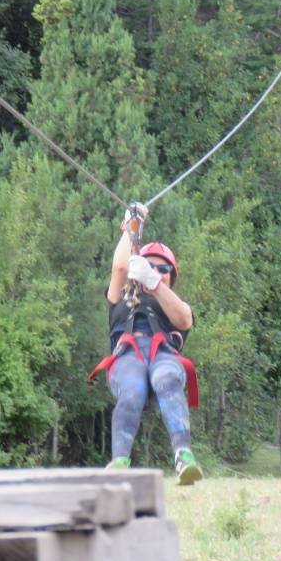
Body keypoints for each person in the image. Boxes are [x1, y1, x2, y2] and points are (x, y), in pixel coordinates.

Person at [88, 204, 203, 485]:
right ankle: (119, 461)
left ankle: (184, 457)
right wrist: (131, 225)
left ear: (171, 277)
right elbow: (119, 267)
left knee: (167, 379)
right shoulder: (120, 299)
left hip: (163, 356)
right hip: (128, 357)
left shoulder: (172, 303)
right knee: (132, 390)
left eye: (164, 269)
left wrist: (153, 283)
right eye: (151, 266)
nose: (157, 271)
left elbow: (185, 318)